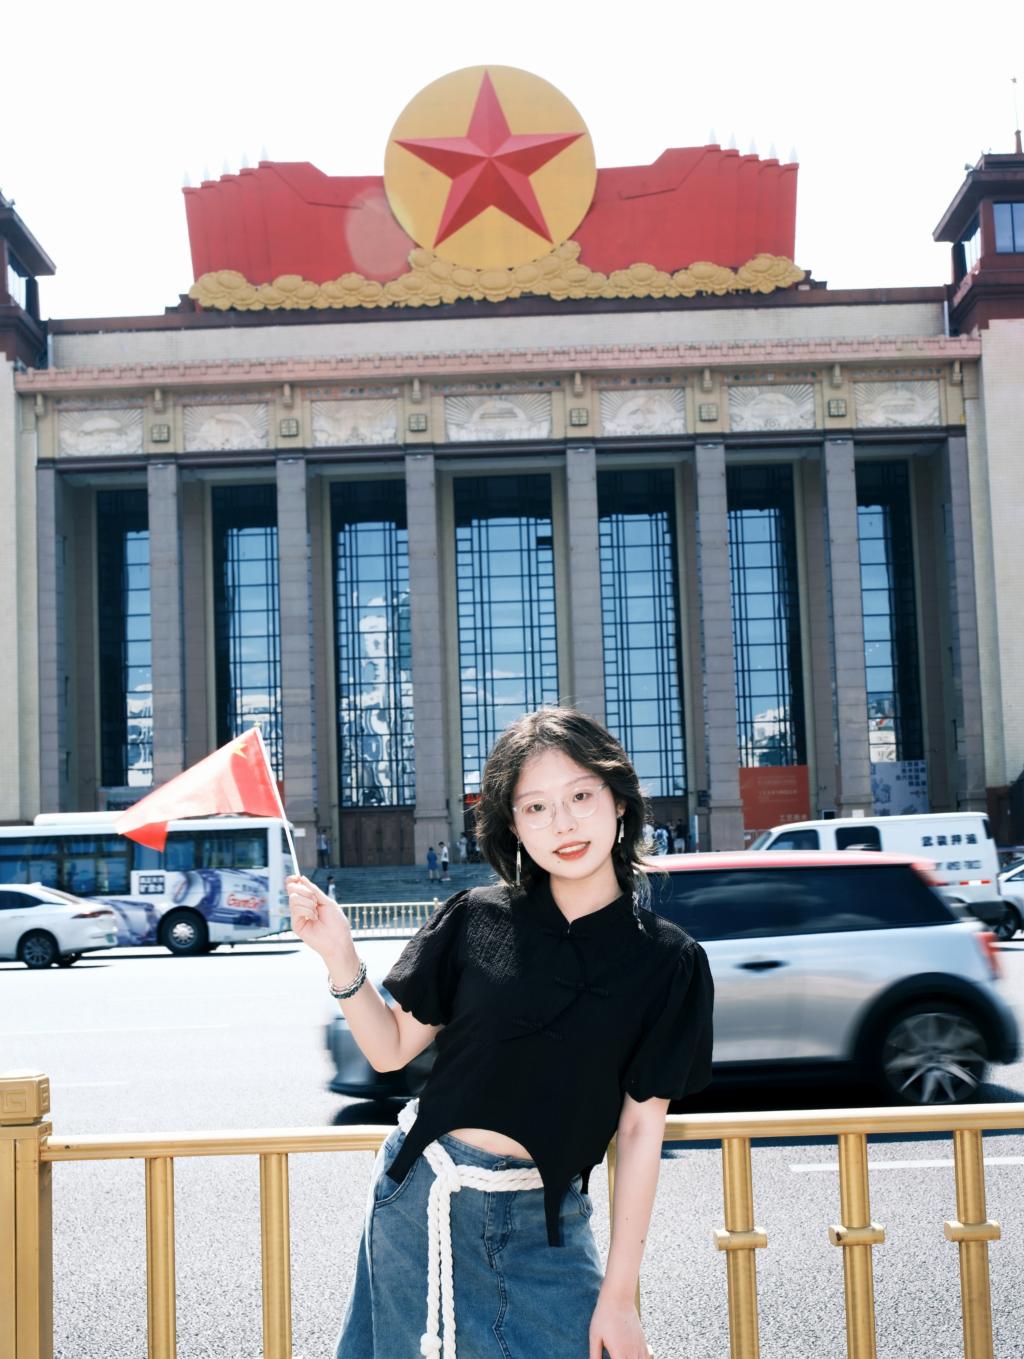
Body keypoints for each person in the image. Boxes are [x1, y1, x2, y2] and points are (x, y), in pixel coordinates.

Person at [287, 707, 714, 1359]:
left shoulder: (669, 961)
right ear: (513, 825)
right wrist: (339, 956)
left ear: (619, 802)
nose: (563, 823)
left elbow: (639, 1130)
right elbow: (390, 1049)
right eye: (536, 807)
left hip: (545, 1224)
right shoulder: (474, 918)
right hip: (421, 1202)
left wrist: (620, 1296)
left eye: (581, 796)